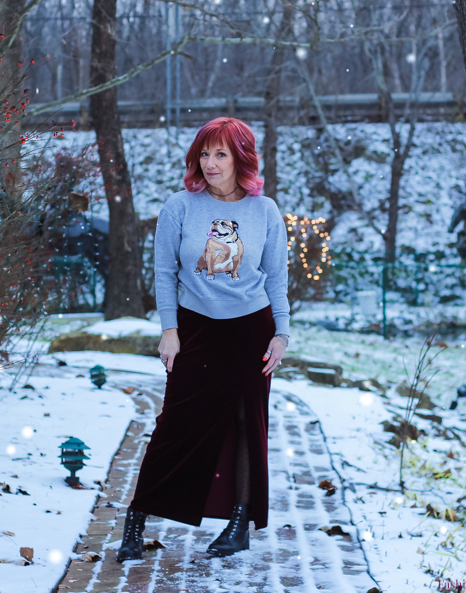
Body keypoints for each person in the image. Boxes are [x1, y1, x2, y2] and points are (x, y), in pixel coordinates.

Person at [116, 117, 290, 562]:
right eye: (204, 153)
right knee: (173, 426)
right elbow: (164, 272)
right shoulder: (181, 206)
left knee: (245, 426)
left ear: (241, 159)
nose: (209, 163)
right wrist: (169, 330)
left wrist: (282, 333)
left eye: (221, 154)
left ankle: (239, 523)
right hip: (195, 328)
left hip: (252, 329)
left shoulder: (265, 210)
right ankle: (135, 522)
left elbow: (275, 277)